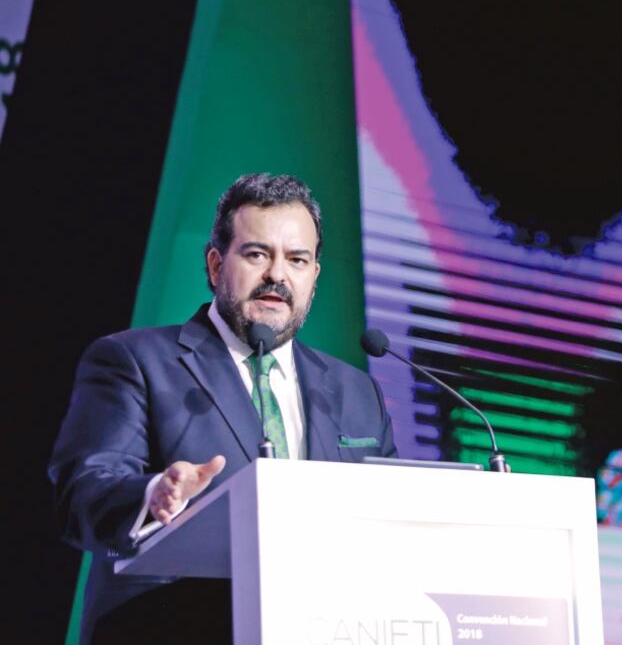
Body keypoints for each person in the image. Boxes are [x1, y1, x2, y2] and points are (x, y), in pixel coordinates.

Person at [48, 173, 396, 644]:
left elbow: (390, 518)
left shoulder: (356, 391)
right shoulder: (134, 360)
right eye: (257, 254)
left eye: (297, 259)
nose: (277, 275)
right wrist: (153, 496)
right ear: (215, 265)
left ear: (314, 276)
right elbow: (84, 493)